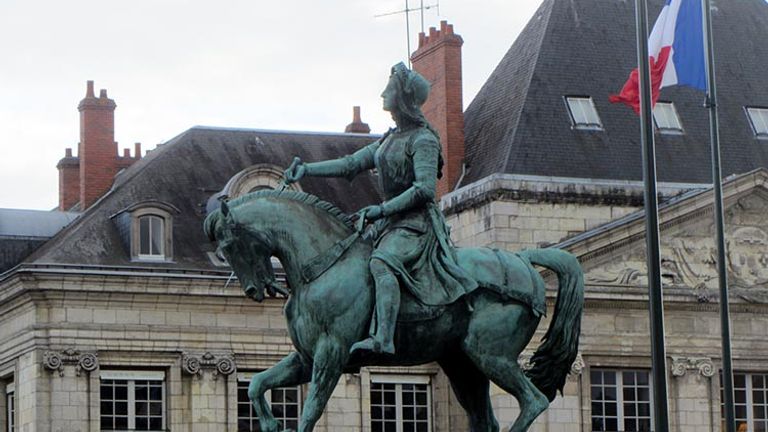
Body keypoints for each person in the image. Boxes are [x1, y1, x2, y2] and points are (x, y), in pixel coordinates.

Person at [284, 62, 476, 355]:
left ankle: (383, 337)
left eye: (390, 88)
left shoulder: (422, 140)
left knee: (381, 262)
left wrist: (382, 210)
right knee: (352, 263)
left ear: (404, 97)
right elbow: (351, 164)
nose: (384, 93)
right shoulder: (390, 139)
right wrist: (307, 169)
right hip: (389, 224)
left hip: (416, 225)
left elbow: (424, 190)